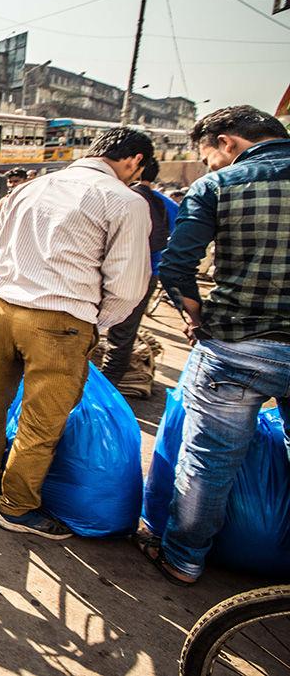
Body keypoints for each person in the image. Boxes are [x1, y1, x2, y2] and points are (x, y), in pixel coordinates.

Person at [0, 127, 153, 540]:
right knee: (40, 421)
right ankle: (15, 507)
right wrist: (95, 324)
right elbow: (127, 286)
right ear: (134, 160)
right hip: (60, 321)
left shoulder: (29, 189)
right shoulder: (125, 201)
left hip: (0, 307)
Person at [137, 105, 290, 585]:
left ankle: (183, 557)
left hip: (236, 345)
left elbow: (177, 267)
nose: (210, 167)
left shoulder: (221, 186)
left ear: (226, 142)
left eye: (207, 158)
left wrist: (196, 316)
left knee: (210, 459)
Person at [100, 158, 177, 388]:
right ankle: (108, 387)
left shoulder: (119, 198)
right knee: (123, 335)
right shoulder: (169, 205)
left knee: (86, 328)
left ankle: (90, 386)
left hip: (108, 271)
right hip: (148, 275)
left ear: (135, 168)